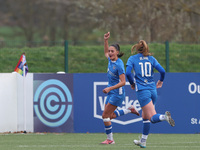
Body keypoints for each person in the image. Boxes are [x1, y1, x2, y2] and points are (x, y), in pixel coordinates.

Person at [125, 40, 175, 148]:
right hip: (153, 90)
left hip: (143, 91)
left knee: (152, 117)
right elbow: (162, 71)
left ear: (137, 48)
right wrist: (161, 81)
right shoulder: (151, 59)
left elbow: (128, 73)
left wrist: (132, 83)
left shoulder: (132, 59)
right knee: (145, 116)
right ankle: (143, 141)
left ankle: (164, 117)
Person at [101, 32, 140, 145]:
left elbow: (123, 82)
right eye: (109, 51)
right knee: (110, 116)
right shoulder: (110, 60)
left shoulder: (119, 64)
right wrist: (105, 41)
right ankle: (129, 109)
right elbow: (105, 52)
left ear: (117, 52)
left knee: (105, 116)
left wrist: (109, 88)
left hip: (117, 93)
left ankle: (110, 140)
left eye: (112, 51)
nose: (110, 53)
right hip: (111, 92)